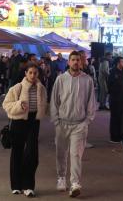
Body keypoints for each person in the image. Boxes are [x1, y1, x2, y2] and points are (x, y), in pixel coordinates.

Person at [50, 51, 96, 198]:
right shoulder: (61, 79)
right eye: (73, 60)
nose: (76, 62)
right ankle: (61, 177)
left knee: (76, 155)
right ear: (68, 62)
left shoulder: (87, 80)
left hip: (79, 125)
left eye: (78, 60)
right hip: (62, 124)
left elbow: (91, 102)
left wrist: (87, 121)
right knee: (61, 153)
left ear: (81, 62)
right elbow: (54, 101)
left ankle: (75, 183)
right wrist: (56, 121)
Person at [4, 62, 47, 198]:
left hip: (34, 122)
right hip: (19, 121)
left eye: (35, 73)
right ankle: (16, 185)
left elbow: (44, 104)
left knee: (32, 154)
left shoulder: (41, 88)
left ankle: (28, 185)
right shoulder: (17, 88)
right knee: (17, 152)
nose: (33, 75)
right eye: (30, 73)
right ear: (26, 74)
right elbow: (6, 104)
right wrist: (19, 105)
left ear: (38, 74)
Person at [107, 56, 123, 143]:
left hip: (122, 99)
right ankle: (114, 137)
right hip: (115, 99)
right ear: (118, 63)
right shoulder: (113, 72)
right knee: (115, 117)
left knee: (121, 117)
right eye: (122, 62)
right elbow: (110, 86)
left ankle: (120, 135)